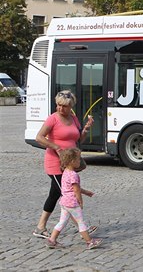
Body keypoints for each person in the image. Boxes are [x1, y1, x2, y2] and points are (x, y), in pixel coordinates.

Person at [33, 90, 96, 239]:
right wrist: (57, 148)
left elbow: (79, 139)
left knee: (55, 194)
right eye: (58, 105)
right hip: (55, 163)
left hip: (69, 164)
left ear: (70, 106)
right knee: (68, 195)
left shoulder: (73, 119)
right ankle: (83, 229)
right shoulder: (52, 119)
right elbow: (39, 138)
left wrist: (86, 129)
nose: (60, 108)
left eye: (64, 106)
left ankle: (40, 227)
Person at [46, 148, 103, 249]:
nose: (79, 162)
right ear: (72, 161)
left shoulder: (65, 172)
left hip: (64, 202)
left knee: (62, 222)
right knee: (80, 222)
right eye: (78, 160)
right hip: (72, 203)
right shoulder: (74, 175)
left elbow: (71, 188)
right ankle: (89, 241)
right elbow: (76, 190)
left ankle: (52, 240)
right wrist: (80, 201)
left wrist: (86, 192)